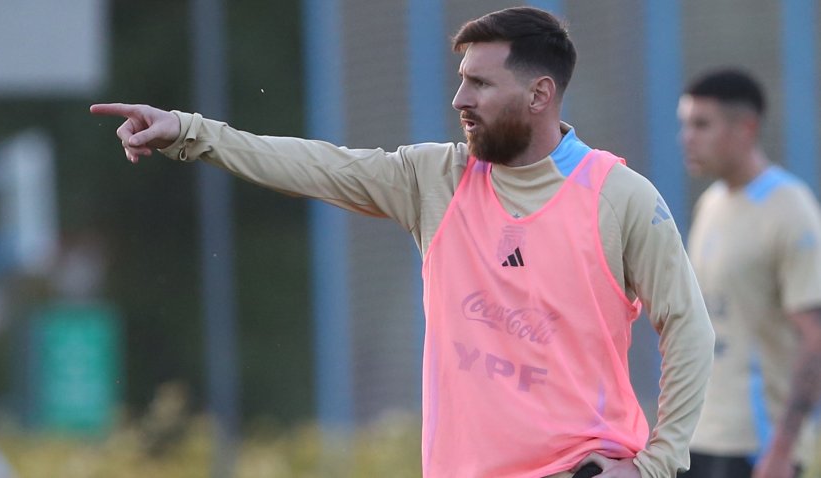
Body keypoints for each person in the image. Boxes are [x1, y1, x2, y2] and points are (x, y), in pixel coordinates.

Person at [92, 7, 714, 477]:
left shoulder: (619, 195)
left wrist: (658, 462)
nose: (459, 99)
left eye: (479, 84)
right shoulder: (435, 180)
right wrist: (188, 132)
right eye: (460, 80)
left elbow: (688, 328)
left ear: (539, 94)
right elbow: (319, 165)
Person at [678, 69, 821, 478]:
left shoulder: (791, 209)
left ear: (746, 128)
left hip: (754, 446)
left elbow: (815, 337)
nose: (687, 136)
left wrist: (782, 448)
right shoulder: (711, 203)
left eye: (702, 124)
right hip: (697, 436)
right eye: (684, 124)